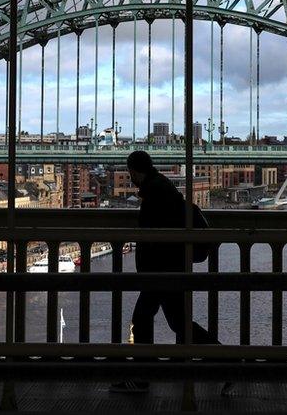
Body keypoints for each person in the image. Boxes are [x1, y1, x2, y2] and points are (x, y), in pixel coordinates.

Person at [110, 150, 227, 395]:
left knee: (143, 320)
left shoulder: (154, 192)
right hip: (169, 267)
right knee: (179, 324)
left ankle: (142, 378)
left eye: (130, 173)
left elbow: (153, 236)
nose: (130, 178)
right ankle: (228, 362)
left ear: (133, 171)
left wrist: (148, 267)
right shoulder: (161, 186)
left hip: (161, 270)